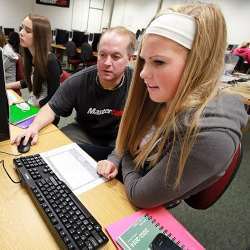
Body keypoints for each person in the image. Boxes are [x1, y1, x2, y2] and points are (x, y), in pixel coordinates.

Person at [97, 3, 248, 208]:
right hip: (129, 171)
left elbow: (141, 196)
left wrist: (125, 159)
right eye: (144, 61)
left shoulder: (212, 136)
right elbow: (127, 142)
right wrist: (116, 158)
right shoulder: (163, 91)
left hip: (144, 196)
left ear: (198, 63)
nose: (142, 73)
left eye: (158, 62)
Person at [12, 26, 136, 161]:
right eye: (102, 55)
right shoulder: (79, 80)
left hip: (119, 138)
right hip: (85, 132)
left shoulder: (138, 85)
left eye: (115, 57)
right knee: (49, 146)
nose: (107, 62)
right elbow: (51, 108)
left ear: (130, 58)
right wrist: (33, 127)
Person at [6, 14, 61, 107]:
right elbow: (29, 81)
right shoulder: (30, 56)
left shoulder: (51, 62)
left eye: (27, 30)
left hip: (45, 111)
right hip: (33, 104)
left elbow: (54, 98)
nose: (21, 32)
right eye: (22, 28)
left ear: (40, 37)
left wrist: (32, 107)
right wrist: (6, 85)